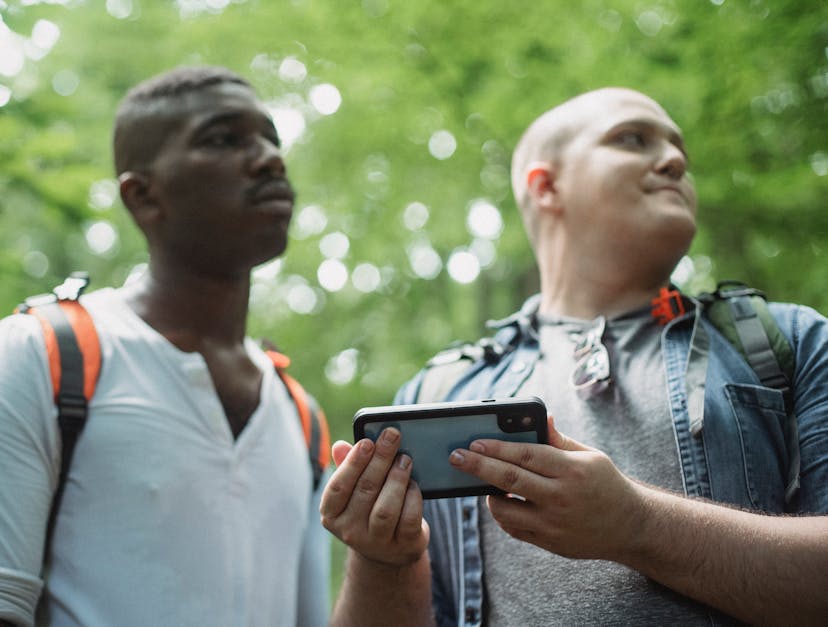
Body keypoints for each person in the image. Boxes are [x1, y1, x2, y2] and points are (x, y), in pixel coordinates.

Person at [322, 87, 828, 626]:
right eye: (632, 139)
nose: (677, 160)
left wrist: (638, 525)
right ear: (546, 187)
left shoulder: (785, 342)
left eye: (681, 150)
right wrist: (382, 561)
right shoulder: (441, 392)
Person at [0, 66, 329, 627]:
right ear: (143, 197)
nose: (268, 158)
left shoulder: (301, 418)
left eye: (269, 138)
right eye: (223, 139)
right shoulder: (43, 353)